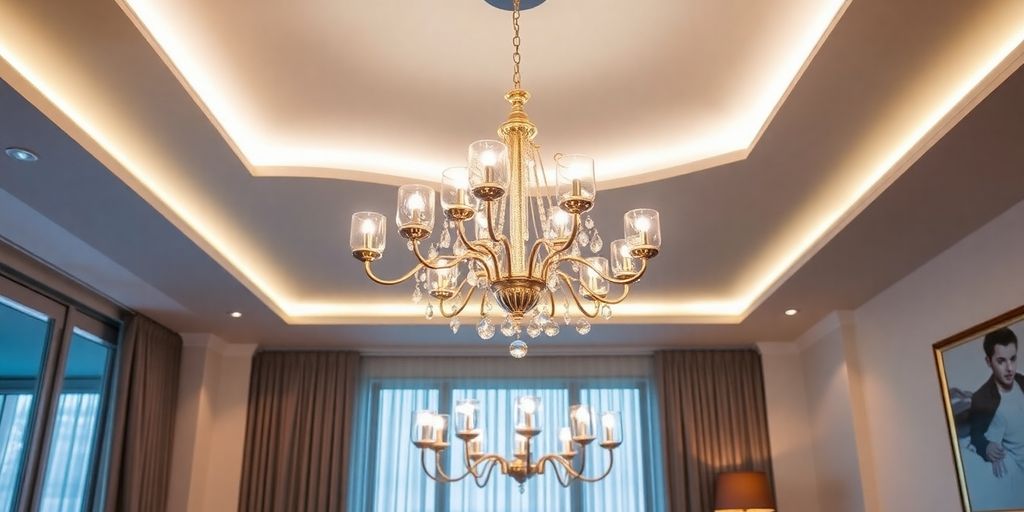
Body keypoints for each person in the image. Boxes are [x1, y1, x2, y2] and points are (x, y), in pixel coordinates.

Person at [969, 327, 1024, 488]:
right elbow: (976, 435)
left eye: (1013, 359)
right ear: (989, 362)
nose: (1010, 368)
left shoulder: (1022, 381)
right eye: (1001, 361)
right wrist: (986, 446)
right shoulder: (982, 398)